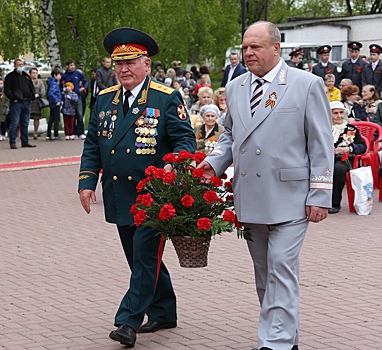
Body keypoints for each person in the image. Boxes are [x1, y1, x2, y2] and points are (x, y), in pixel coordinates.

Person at [197, 21, 333, 350]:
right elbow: (230, 135)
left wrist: (320, 195)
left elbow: (321, 143)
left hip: (291, 196)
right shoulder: (236, 87)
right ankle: (284, 335)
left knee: (282, 267)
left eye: (255, 47)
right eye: (244, 47)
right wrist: (212, 164)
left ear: (276, 48)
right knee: (264, 274)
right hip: (252, 197)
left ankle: (277, 343)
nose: (248, 53)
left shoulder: (306, 84)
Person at [78, 27, 196, 348]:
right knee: (139, 257)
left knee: (145, 257)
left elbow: (186, 139)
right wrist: (87, 182)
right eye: (118, 64)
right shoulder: (104, 99)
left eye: (130, 62)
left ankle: (128, 322)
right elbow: (93, 145)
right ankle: (164, 310)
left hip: (154, 195)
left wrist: (175, 162)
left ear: (146, 64)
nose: (123, 70)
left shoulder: (165, 97)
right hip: (118, 194)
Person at [329, 101, 367, 214]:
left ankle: (335, 203)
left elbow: (362, 146)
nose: (339, 116)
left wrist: (348, 149)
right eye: (335, 113)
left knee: (338, 169)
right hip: (325, 159)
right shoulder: (323, 127)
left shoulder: (351, 129)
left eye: (341, 112)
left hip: (343, 159)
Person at [4, 59, 36, 149]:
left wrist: (32, 96)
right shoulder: (10, 77)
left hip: (27, 102)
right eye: (19, 65)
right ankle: (12, 141)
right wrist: (13, 98)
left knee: (25, 122)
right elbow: (7, 90)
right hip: (16, 103)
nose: (21, 66)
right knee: (14, 122)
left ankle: (25, 141)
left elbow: (31, 87)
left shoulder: (26, 76)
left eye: (22, 64)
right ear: (15, 66)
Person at [60, 59, 87, 139]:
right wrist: (63, 90)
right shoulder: (64, 75)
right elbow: (61, 85)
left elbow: (85, 81)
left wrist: (83, 88)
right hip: (68, 98)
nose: (72, 67)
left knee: (79, 113)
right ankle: (73, 132)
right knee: (71, 115)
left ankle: (81, 132)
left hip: (77, 96)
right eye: (71, 65)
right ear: (67, 66)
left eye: (73, 65)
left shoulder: (78, 74)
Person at [29, 67, 46, 140]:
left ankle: (35, 133)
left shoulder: (39, 82)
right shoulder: (27, 81)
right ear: (30, 74)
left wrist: (38, 95)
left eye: (36, 73)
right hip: (28, 101)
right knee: (25, 118)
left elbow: (42, 91)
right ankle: (21, 133)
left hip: (36, 102)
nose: (35, 74)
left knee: (36, 118)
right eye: (33, 73)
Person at [46, 68, 63, 141]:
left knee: (51, 119)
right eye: (59, 75)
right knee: (56, 119)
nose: (60, 77)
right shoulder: (54, 83)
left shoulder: (53, 83)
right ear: (55, 75)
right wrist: (57, 101)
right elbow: (51, 93)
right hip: (55, 103)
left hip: (52, 103)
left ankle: (49, 134)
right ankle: (56, 134)